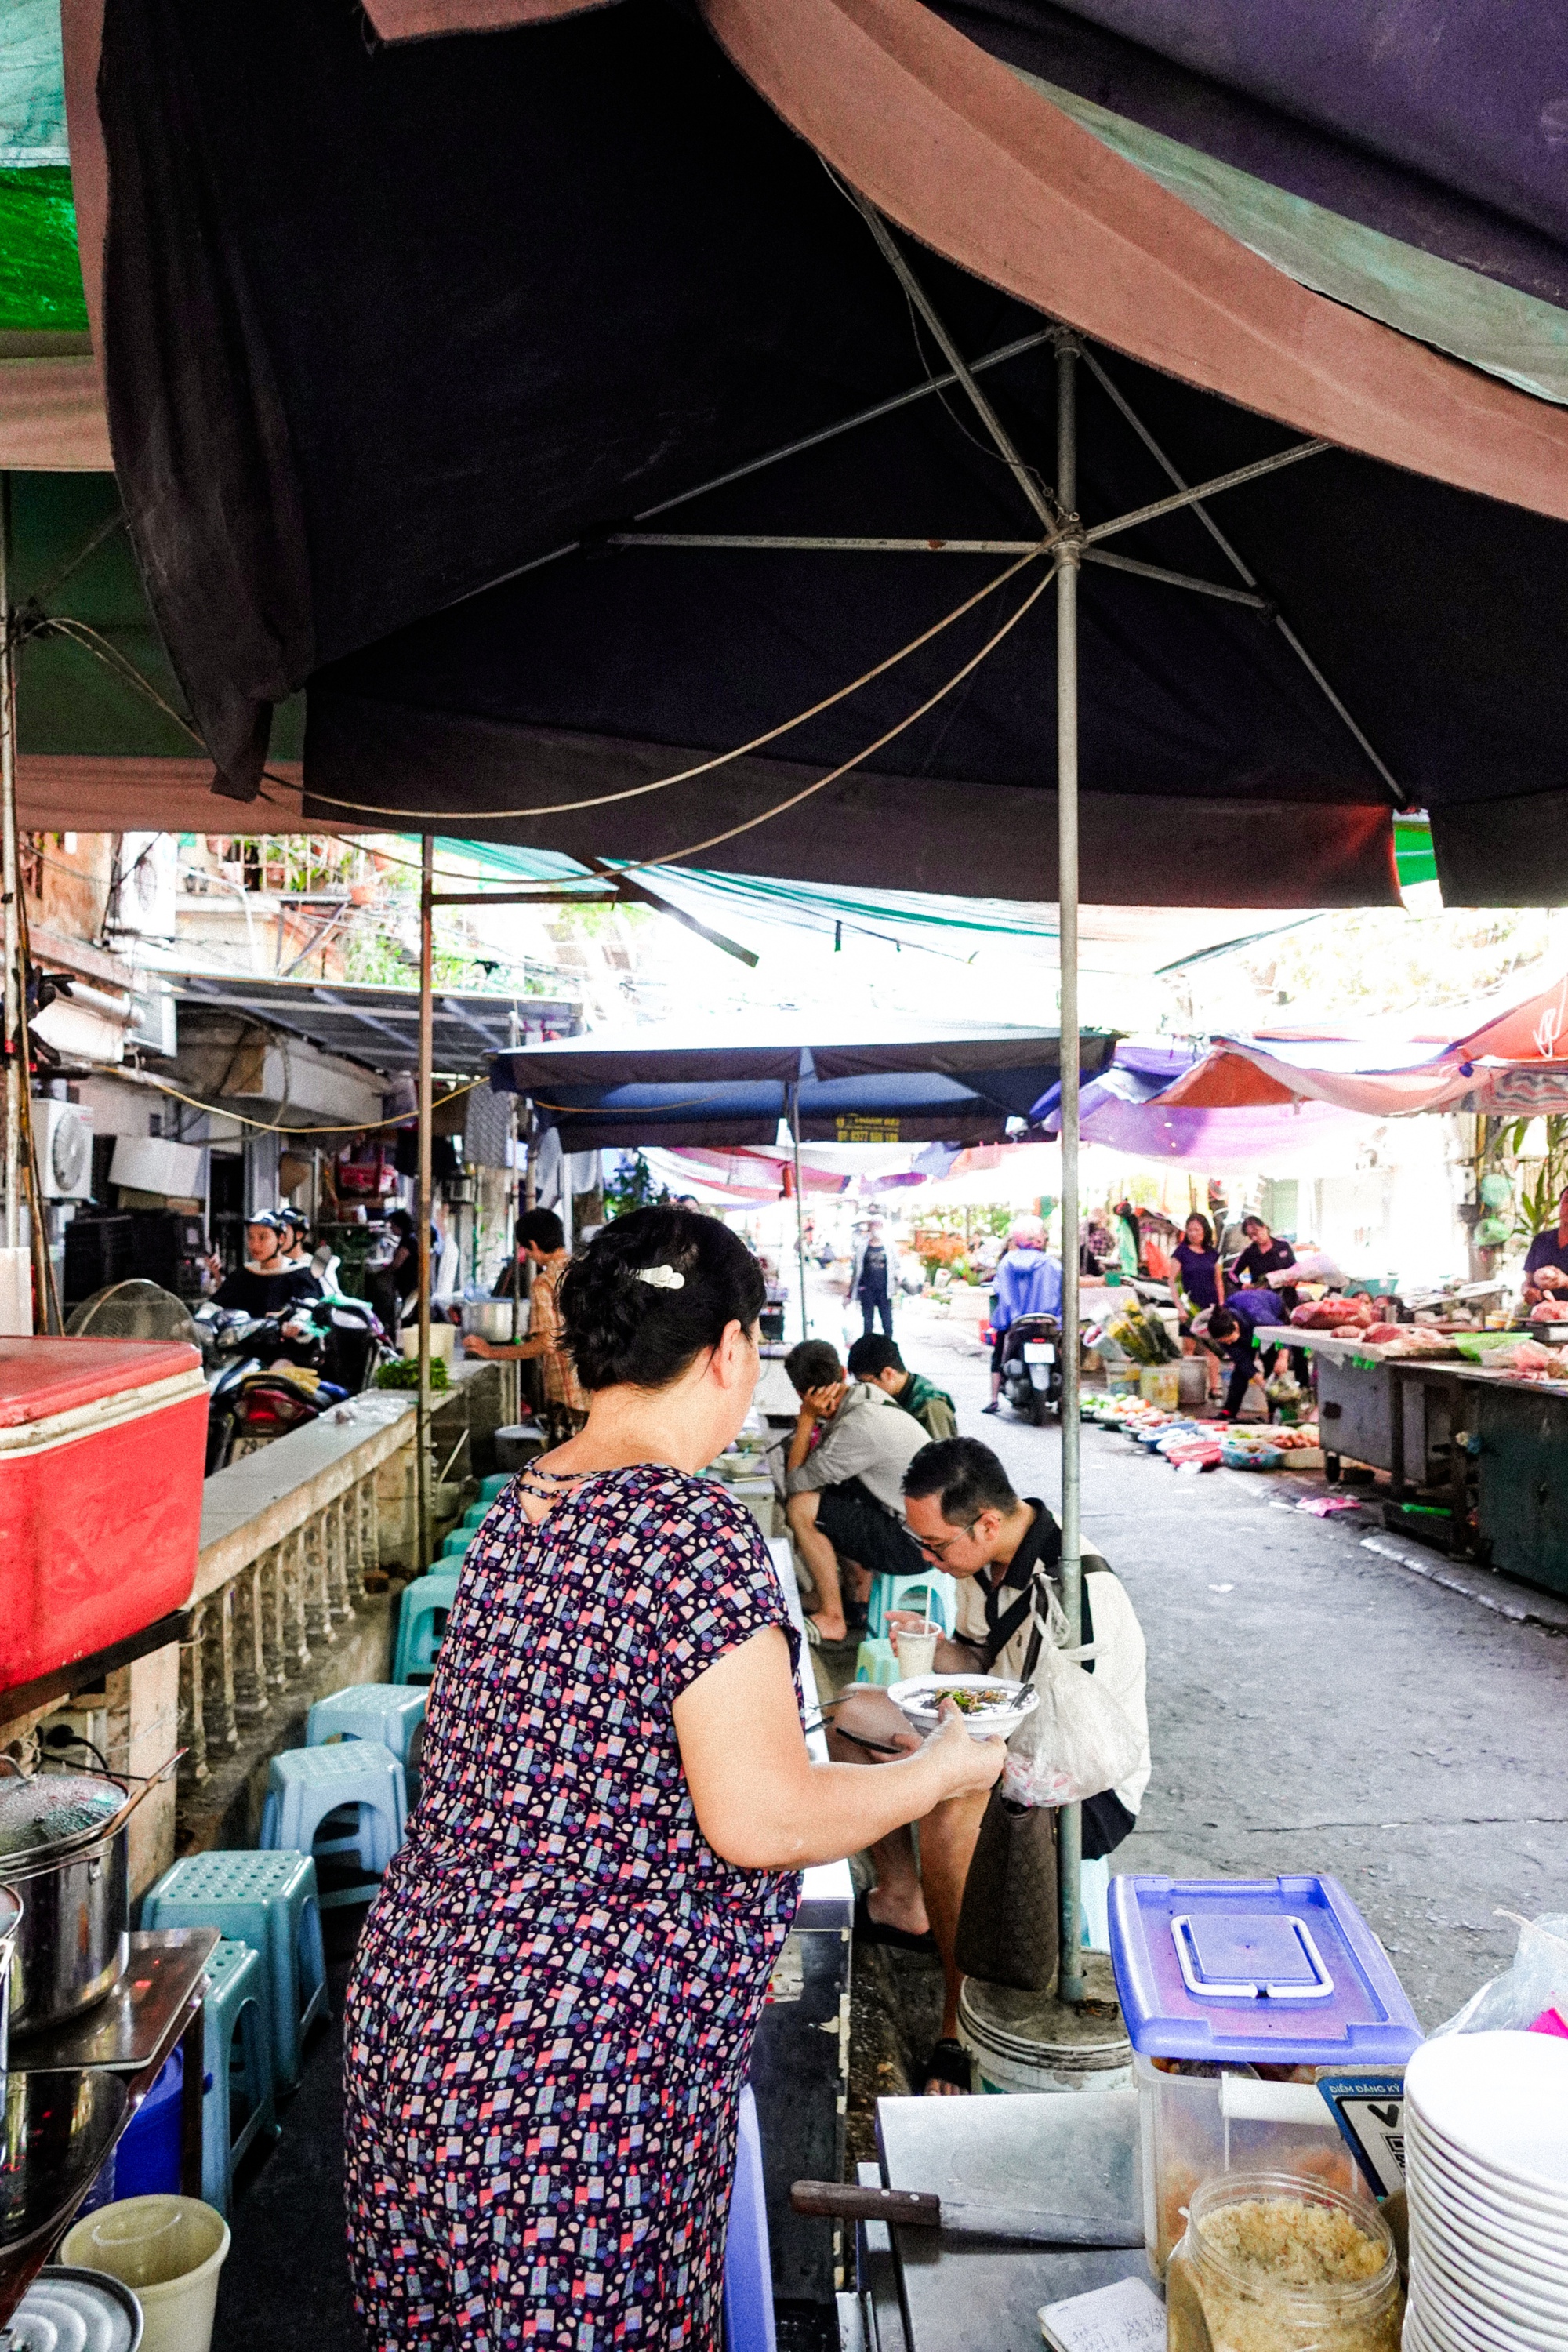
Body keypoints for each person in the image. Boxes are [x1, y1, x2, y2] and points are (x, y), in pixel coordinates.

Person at [343, 1207, 1003, 2348]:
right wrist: (943, 1769)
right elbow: (761, 1815)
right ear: (732, 1349)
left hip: (419, 2030)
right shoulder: (687, 1528)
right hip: (567, 2083)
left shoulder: (529, 1505)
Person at [828, 1438, 1149, 2094]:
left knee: (951, 1800)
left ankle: (955, 2016)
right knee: (850, 1717)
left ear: (989, 1524)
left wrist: (950, 1755)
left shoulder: (1077, 1591)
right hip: (1002, 1740)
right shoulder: (982, 1569)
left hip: (1083, 1783)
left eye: (935, 1546)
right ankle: (905, 1900)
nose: (925, 1559)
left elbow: (1074, 1749)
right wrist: (938, 1650)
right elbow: (981, 1672)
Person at [782, 1337, 929, 1646]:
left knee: (801, 1508)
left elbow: (796, 1484)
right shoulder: (866, 1396)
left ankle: (834, 1617)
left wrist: (807, 1418)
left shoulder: (858, 1426)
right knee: (833, 1497)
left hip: (916, 1546)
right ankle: (845, 1596)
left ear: (800, 1394)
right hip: (918, 1528)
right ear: (844, 1370)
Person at [465, 1207, 590, 1447]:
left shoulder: (544, 1283)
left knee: (571, 1477)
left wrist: (492, 1352)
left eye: (525, 1247)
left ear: (532, 1244)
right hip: (602, 1394)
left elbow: (548, 1343)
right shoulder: (589, 1270)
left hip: (570, 1396)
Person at [983, 1218, 1062, 1414]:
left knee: (999, 1353)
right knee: (1065, 1356)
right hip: (1047, 1323)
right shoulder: (1054, 1265)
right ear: (1041, 1240)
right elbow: (1062, 1294)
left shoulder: (1007, 1263)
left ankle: (993, 1400)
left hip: (1016, 1324)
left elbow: (1001, 1292)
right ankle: (1065, 1400)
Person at [846, 1333, 959, 1440]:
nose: (863, 1389)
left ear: (888, 1373)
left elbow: (945, 1457)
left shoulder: (932, 1408)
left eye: (867, 1383)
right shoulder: (892, 1396)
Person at [208, 1211, 320, 1317]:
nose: (255, 1245)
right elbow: (218, 1302)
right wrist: (203, 1318)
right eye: (251, 1237)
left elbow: (309, 1304)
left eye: (263, 1237)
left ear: (280, 1238)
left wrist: (298, 1323)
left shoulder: (299, 1274)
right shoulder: (243, 1273)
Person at [1201, 1285, 1285, 1419]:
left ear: (1235, 1326)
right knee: (1241, 1371)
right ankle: (1229, 1411)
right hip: (1244, 1326)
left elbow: (1281, 1331)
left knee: (1271, 1363)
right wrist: (1262, 1384)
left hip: (1270, 1318)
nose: (1228, 1344)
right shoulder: (1223, 1328)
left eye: (1228, 1340)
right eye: (1224, 1342)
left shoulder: (1260, 1317)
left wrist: (1283, 1358)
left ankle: (1274, 1414)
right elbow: (1243, 1361)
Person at [1170, 1211, 1224, 1317]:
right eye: (1190, 1230)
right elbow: (1172, 1281)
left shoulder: (1212, 1254)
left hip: (1211, 1306)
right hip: (1190, 1306)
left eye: (1197, 1230)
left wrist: (1221, 1304)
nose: (1193, 1234)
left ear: (1205, 1231)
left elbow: (1218, 1281)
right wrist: (1180, 1308)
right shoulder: (1181, 1252)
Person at [849, 1217, 895, 1338]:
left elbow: (896, 1266)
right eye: (874, 1225)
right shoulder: (862, 1247)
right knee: (868, 1322)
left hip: (884, 1290)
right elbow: (856, 1271)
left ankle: (888, 1348)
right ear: (870, 1228)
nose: (877, 1229)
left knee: (887, 1322)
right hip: (867, 1289)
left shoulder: (889, 1246)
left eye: (879, 1225)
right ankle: (868, 1348)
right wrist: (850, 1292)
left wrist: (898, 1277)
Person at [1522, 1186, 1568, 1305]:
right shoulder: (1541, 1240)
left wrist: (1565, 1281)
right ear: (1560, 1205)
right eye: (1567, 1201)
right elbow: (1528, 1282)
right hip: (1542, 1316)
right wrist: (1528, 1291)